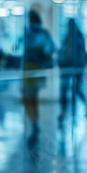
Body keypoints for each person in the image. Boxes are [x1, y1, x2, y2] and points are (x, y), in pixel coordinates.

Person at [22, 10, 55, 147]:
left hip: (33, 68)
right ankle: (34, 124)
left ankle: (34, 124)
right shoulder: (35, 33)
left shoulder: (36, 34)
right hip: (31, 68)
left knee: (30, 98)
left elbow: (49, 49)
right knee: (30, 98)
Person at [58, 18, 87, 126]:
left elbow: (81, 54)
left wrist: (79, 66)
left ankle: (86, 107)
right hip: (67, 66)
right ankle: (63, 113)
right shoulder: (67, 37)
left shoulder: (78, 38)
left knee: (76, 89)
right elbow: (63, 51)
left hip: (76, 67)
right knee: (64, 90)